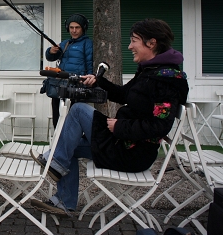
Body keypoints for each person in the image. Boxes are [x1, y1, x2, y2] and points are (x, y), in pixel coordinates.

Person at [30, 18, 189, 217]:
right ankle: (64, 200)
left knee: (78, 110)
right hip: (120, 143)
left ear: (152, 43)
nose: (130, 46)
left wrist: (121, 127)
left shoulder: (166, 80)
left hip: (132, 153)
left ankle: (55, 165)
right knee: (62, 147)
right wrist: (98, 81)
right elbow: (123, 95)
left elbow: (160, 126)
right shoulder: (149, 71)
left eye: (134, 41)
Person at [46, 14, 93, 128]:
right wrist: (50, 51)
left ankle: (73, 142)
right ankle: (58, 139)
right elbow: (51, 57)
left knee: (74, 119)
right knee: (57, 116)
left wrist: (88, 82)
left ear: (83, 28)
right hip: (61, 85)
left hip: (77, 86)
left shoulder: (87, 44)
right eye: (71, 27)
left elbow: (90, 63)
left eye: (77, 27)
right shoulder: (65, 43)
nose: (74, 30)